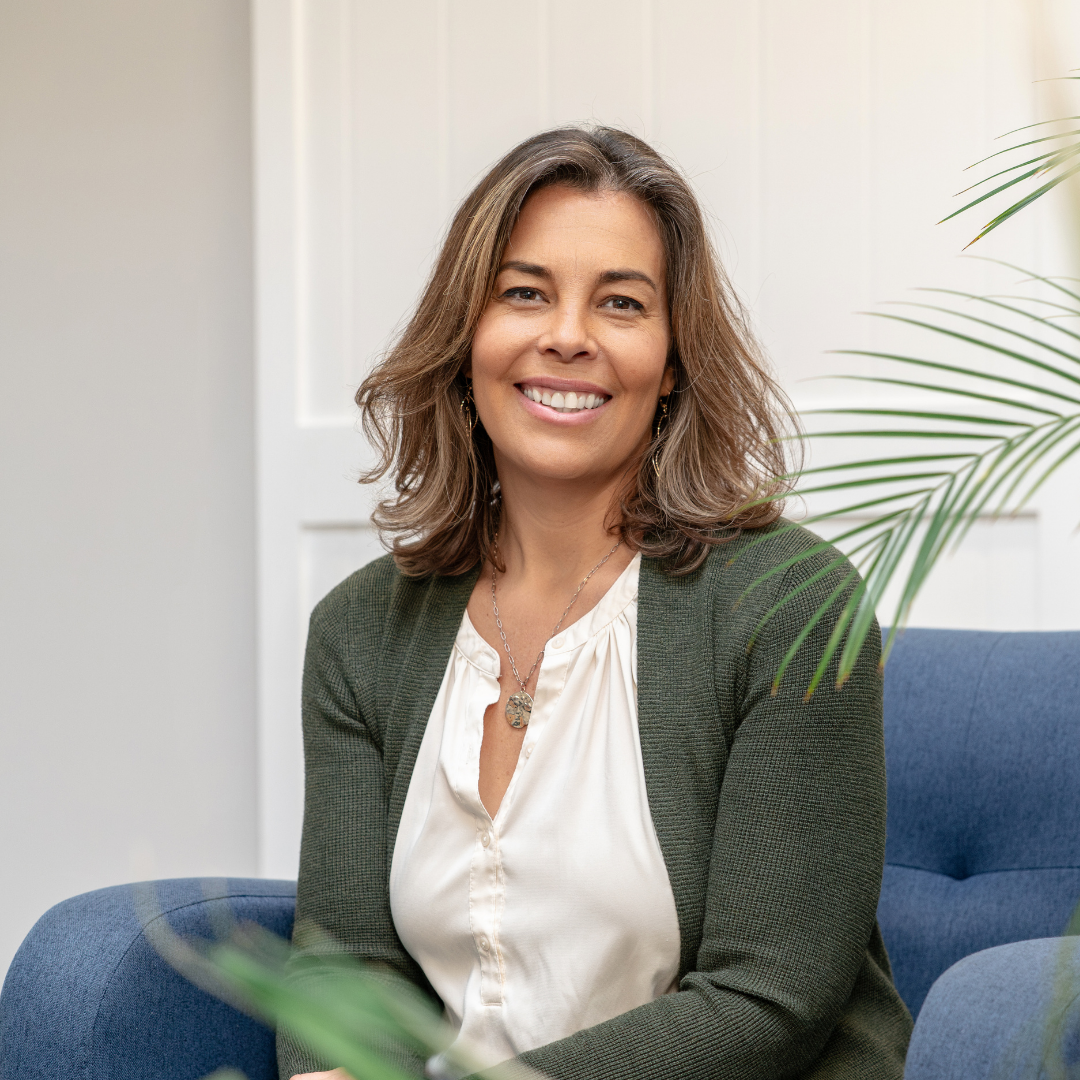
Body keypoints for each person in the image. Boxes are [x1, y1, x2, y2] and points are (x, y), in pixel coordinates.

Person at [278, 126, 912, 1080]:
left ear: (674, 358)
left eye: (621, 302)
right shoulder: (359, 633)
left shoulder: (787, 603)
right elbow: (346, 963)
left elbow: (768, 1000)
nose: (568, 335)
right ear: (465, 337)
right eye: (524, 293)